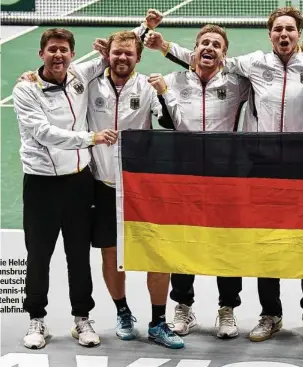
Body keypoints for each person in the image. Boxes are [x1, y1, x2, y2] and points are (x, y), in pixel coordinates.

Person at [142, 6, 303, 342]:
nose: (284, 35)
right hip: (263, 168)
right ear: (270, 35)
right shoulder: (253, 63)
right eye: (278, 30)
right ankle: (270, 314)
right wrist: (165, 47)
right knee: (266, 242)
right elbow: (206, 58)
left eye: (290, 30)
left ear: (298, 35)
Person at [94, 21, 252, 339]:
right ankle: (182, 306)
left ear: (225, 54)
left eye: (216, 45)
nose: (209, 48)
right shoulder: (172, 81)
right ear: (193, 50)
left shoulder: (239, 84)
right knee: (182, 239)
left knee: (227, 242)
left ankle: (227, 308)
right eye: (203, 43)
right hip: (183, 175)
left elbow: (276, 82)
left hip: (225, 175)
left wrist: (166, 47)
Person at [12, 28, 117, 349]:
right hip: (41, 184)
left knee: (78, 255)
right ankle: (36, 320)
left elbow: (120, 53)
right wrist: (91, 138)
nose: (58, 55)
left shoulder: (79, 76)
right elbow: (44, 132)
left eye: (64, 50)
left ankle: (82, 319)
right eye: (52, 50)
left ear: (73, 54)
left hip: (78, 182)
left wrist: (144, 31)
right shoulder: (26, 89)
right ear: (41, 54)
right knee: (39, 254)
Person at [88, 30, 184, 349]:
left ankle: (158, 321)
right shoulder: (89, 85)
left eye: (129, 53)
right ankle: (122, 311)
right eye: (117, 52)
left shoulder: (146, 87)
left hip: (140, 186)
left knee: (157, 256)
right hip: (102, 185)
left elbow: (170, 123)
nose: (122, 58)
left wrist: (165, 92)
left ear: (138, 57)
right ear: (108, 54)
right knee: (111, 253)